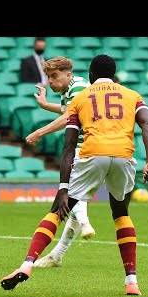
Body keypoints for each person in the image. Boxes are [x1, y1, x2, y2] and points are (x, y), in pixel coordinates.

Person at [1, 55, 148, 295]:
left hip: (92, 154)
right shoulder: (133, 95)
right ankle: (131, 281)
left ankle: (27, 264)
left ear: (91, 75)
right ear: (114, 75)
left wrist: (64, 187)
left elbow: (69, 145)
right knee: (121, 214)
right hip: (124, 156)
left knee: (58, 210)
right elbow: (147, 124)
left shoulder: (82, 97)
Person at [31, 56, 95, 269]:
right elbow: (66, 111)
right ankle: (57, 255)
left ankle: (85, 221)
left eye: (54, 76)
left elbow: (69, 117)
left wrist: (40, 132)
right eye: (48, 77)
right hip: (90, 146)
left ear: (69, 74)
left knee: (72, 193)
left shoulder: (78, 87)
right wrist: (44, 104)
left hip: (90, 146)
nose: (50, 81)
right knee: (75, 197)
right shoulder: (70, 89)